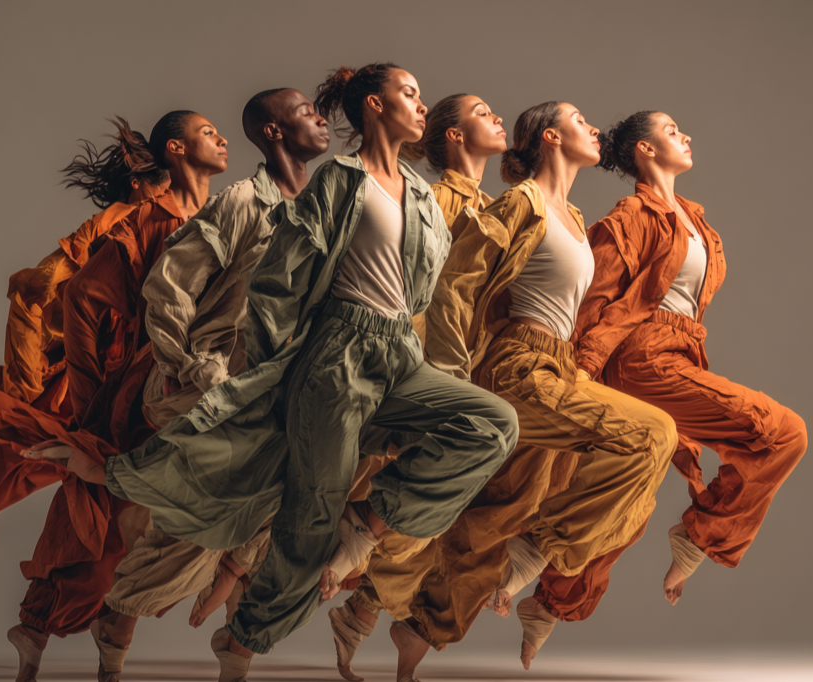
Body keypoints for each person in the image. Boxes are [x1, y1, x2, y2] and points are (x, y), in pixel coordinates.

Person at [27, 64, 518, 682]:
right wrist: (252, 370)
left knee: (492, 424)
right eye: (410, 94)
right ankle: (240, 638)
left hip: (398, 353)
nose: (423, 105)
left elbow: (424, 293)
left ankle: (362, 530)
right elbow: (273, 287)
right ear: (374, 105)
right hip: (336, 354)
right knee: (298, 521)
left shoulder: (420, 194)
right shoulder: (335, 182)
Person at [57, 88, 333, 682]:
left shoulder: (321, 210)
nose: (321, 119)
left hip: (275, 386)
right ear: (273, 132)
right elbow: (168, 286)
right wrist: (192, 368)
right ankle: (123, 621)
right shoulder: (240, 201)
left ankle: (221, 624)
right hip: (209, 386)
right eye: (304, 111)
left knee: (287, 499)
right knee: (202, 522)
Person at [397, 101, 678, 679]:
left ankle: (414, 627)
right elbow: (457, 283)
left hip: (560, 366)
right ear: (551, 138)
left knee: (503, 509)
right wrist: (449, 376)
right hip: (519, 367)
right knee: (654, 436)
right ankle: (531, 557)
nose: (595, 129)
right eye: (580, 121)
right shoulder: (521, 202)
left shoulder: (573, 214)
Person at [0, 119, 168, 682]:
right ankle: (60, 632)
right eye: (159, 178)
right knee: (110, 509)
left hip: (145, 384)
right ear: (141, 183)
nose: (169, 186)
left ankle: (60, 632)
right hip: (111, 387)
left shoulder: (164, 220)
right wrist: (38, 382)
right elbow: (38, 287)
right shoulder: (117, 223)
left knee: (124, 510)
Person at [11, 109, 228, 682]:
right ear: (177, 149)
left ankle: (97, 639)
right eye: (208, 132)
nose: (222, 138)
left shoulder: (218, 215)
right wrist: (90, 400)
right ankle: (44, 629)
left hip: (199, 384)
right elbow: (82, 295)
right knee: (113, 514)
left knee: (162, 516)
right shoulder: (149, 219)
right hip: (144, 387)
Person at [574, 110, 807, 606]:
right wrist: (580, 372)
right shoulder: (629, 219)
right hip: (642, 360)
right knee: (782, 431)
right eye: (673, 131)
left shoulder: (696, 221)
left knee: (630, 495)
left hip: (682, 353)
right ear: (645, 149)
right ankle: (698, 537)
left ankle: (551, 601)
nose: (687, 136)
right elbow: (594, 303)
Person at [328, 92, 508, 682]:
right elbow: (434, 294)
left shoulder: (490, 205)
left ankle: (357, 613)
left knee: (437, 514)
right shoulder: (440, 200)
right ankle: (261, 608)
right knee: (403, 505)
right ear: (453, 138)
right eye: (482, 113)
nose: (497, 118)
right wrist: (444, 375)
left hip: (468, 373)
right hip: (428, 370)